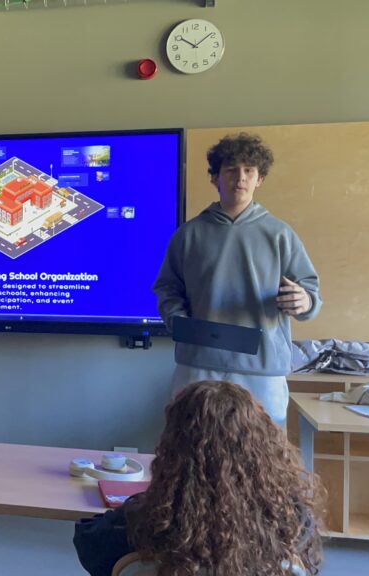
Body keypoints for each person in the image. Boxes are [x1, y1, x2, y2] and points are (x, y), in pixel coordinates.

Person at [152, 133, 322, 425]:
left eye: (249, 171)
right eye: (231, 170)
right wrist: (178, 322)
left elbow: (309, 292)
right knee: (192, 442)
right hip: (199, 364)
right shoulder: (188, 235)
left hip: (262, 368)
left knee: (262, 448)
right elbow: (167, 288)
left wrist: (304, 301)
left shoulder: (280, 235)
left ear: (259, 179)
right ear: (215, 178)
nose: (240, 177)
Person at [73, 380, 325, 576]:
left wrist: (144, 501)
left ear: (172, 450)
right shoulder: (293, 521)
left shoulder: (143, 523)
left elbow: (88, 539)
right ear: (263, 447)